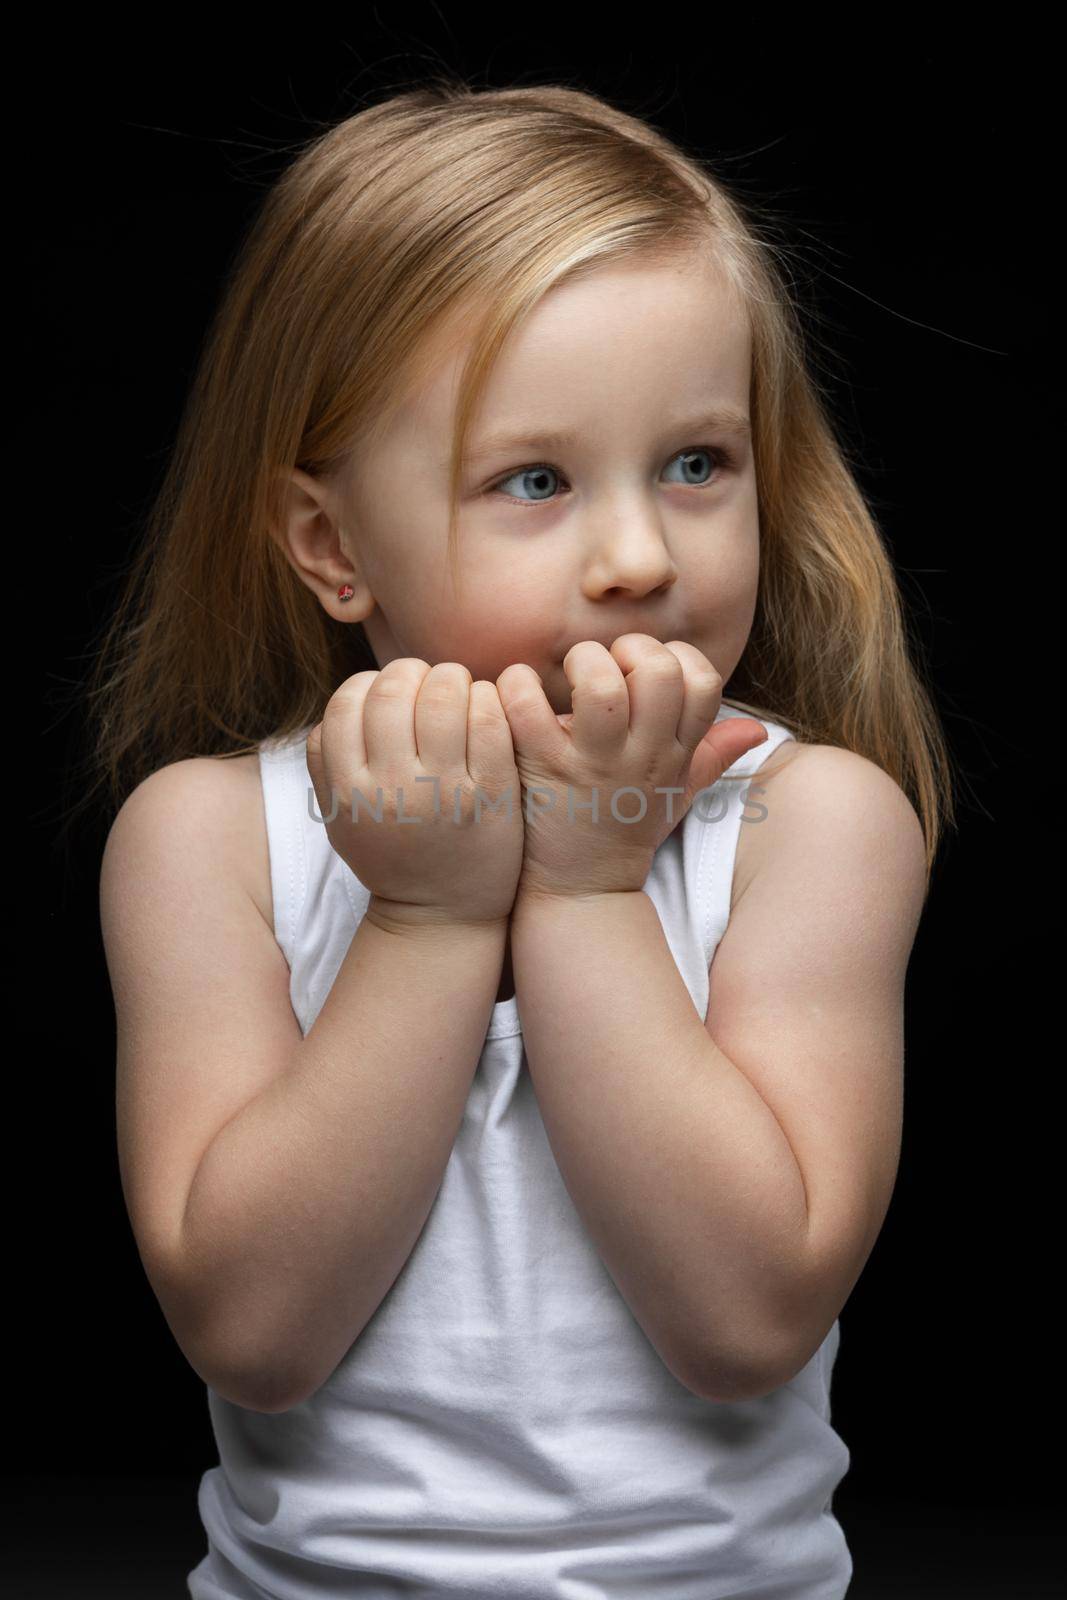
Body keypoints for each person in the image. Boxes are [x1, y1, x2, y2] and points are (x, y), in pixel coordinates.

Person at [88, 77, 954, 1600]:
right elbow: (256, 1335)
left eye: (698, 463)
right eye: (535, 483)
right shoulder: (209, 840)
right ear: (332, 548)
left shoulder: (810, 824)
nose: (639, 557)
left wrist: (590, 880)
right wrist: (422, 921)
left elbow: (744, 1322)